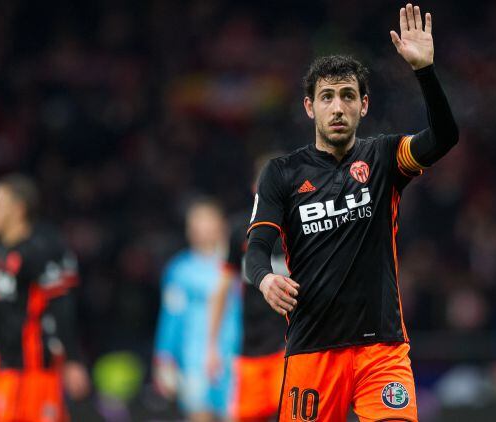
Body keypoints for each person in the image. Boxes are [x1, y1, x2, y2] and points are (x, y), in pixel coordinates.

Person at [244, 4, 458, 420]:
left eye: (347, 96)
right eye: (327, 97)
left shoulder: (384, 157)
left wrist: (425, 72)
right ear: (310, 107)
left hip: (382, 349)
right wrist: (266, 278)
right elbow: (256, 248)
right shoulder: (281, 174)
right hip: (313, 348)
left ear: (364, 105)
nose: (337, 107)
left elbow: (444, 137)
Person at [0, 174, 90, 422]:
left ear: (18, 209)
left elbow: (61, 305)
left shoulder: (46, 248)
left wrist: (72, 358)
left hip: (35, 361)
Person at [207, 156, 289, 422]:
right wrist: (211, 347)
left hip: (291, 345)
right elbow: (222, 287)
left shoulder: (303, 228)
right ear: (256, 186)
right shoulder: (239, 230)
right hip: (250, 348)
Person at [153, 197, 241, 422]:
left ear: (221, 225)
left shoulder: (241, 266)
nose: (203, 229)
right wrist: (163, 359)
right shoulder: (179, 270)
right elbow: (170, 317)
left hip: (235, 357)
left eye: (209, 222)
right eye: (197, 224)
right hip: (194, 359)